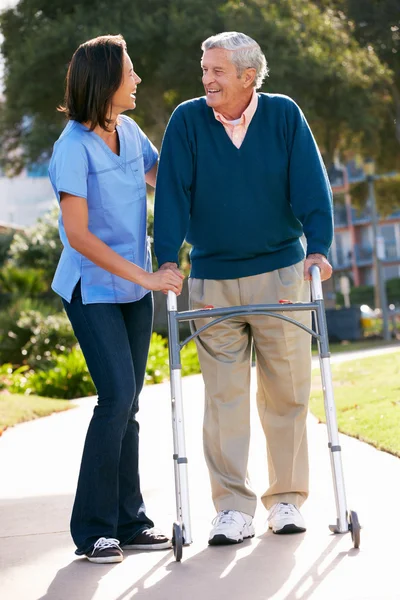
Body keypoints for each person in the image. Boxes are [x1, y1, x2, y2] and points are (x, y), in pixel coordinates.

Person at [154, 31, 333, 545]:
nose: (205, 79)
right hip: (212, 277)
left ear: (248, 76)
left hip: (282, 273)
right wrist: (168, 259)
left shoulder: (283, 115)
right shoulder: (188, 120)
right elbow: (171, 193)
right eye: (204, 69)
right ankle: (232, 508)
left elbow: (311, 184)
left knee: (288, 392)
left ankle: (287, 502)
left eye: (216, 71)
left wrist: (318, 246)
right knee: (223, 397)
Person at [48, 34, 183, 563]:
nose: (138, 79)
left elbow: (163, 177)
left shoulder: (127, 130)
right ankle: (93, 530)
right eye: (130, 71)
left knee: (130, 404)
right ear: (107, 80)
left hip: (132, 287)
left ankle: (130, 521)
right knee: (115, 399)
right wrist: (149, 278)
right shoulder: (70, 148)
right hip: (92, 290)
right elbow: (78, 235)